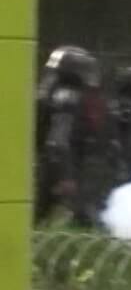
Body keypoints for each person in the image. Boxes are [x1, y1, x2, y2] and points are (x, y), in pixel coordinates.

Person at [34, 46, 109, 228]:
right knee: (86, 221)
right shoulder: (69, 98)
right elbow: (58, 140)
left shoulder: (51, 94)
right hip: (67, 169)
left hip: (53, 165)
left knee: (39, 217)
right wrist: (66, 176)